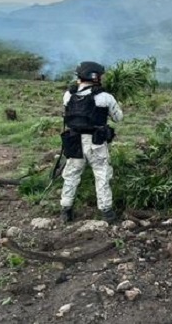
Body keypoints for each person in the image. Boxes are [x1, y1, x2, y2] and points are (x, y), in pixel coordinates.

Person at [60, 61, 123, 224]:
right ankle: (106, 212)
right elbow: (118, 118)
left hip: (73, 140)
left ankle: (65, 210)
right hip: (96, 142)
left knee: (71, 175)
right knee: (102, 174)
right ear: (95, 76)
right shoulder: (105, 97)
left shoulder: (68, 95)